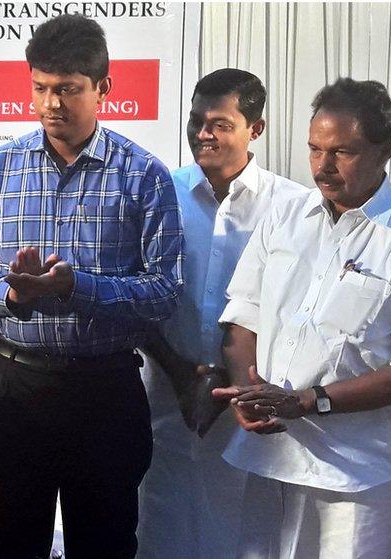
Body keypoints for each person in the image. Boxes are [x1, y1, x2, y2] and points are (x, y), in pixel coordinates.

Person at [0, 14, 184, 558]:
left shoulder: (143, 174)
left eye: (69, 90)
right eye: (41, 88)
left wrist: (77, 286)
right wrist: (11, 295)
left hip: (104, 392)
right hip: (14, 385)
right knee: (13, 543)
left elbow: (165, 291)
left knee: (104, 544)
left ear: (103, 88)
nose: (52, 103)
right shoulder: (0, 168)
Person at [214, 78, 391, 558]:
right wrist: (245, 392)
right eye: (314, 149)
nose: (322, 167)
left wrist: (311, 401)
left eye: (342, 152)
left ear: (384, 150)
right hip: (271, 458)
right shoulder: (284, 218)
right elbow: (242, 315)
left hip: (361, 475)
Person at [137, 69, 305, 558]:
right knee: (162, 528)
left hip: (251, 405)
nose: (203, 134)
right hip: (167, 395)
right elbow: (139, 294)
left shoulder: (293, 207)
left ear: (256, 129)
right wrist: (182, 373)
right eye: (196, 121)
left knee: (249, 534)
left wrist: (241, 384)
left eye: (219, 123)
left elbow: (296, 309)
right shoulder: (160, 193)